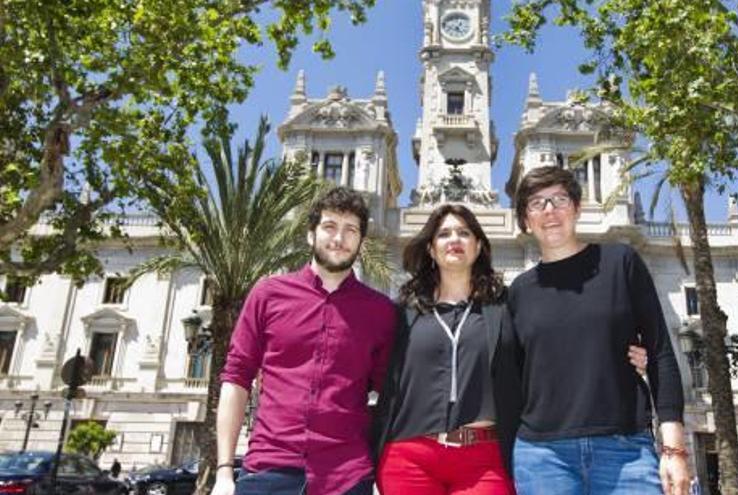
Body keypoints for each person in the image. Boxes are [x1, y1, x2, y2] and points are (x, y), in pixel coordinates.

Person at [372, 204, 649, 495]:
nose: (454, 240)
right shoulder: (403, 312)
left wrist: (619, 351)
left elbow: (553, 343)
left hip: (483, 458)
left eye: (464, 233)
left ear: (478, 246)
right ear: (431, 248)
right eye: (443, 234)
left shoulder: (505, 306)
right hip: (409, 457)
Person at [509, 166, 690, 495]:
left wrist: (674, 450)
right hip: (543, 457)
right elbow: (512, 378)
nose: (549, 210)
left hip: (626, 450)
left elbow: (661, 351)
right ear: (524, 220)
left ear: (577, 207)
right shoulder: (518, 291)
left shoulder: (621, 262)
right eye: (536, 203)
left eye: (559, 199)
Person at [212, 187, 397, 495]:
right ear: (310, 235)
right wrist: (223, 472)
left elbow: (391, 396)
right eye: (329, 227)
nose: (339, 238)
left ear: (361, 242)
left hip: (347, 477)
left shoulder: (381, 312)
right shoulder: (267, 294)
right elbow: (236, 379)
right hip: (267, 470)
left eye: (350, 230)